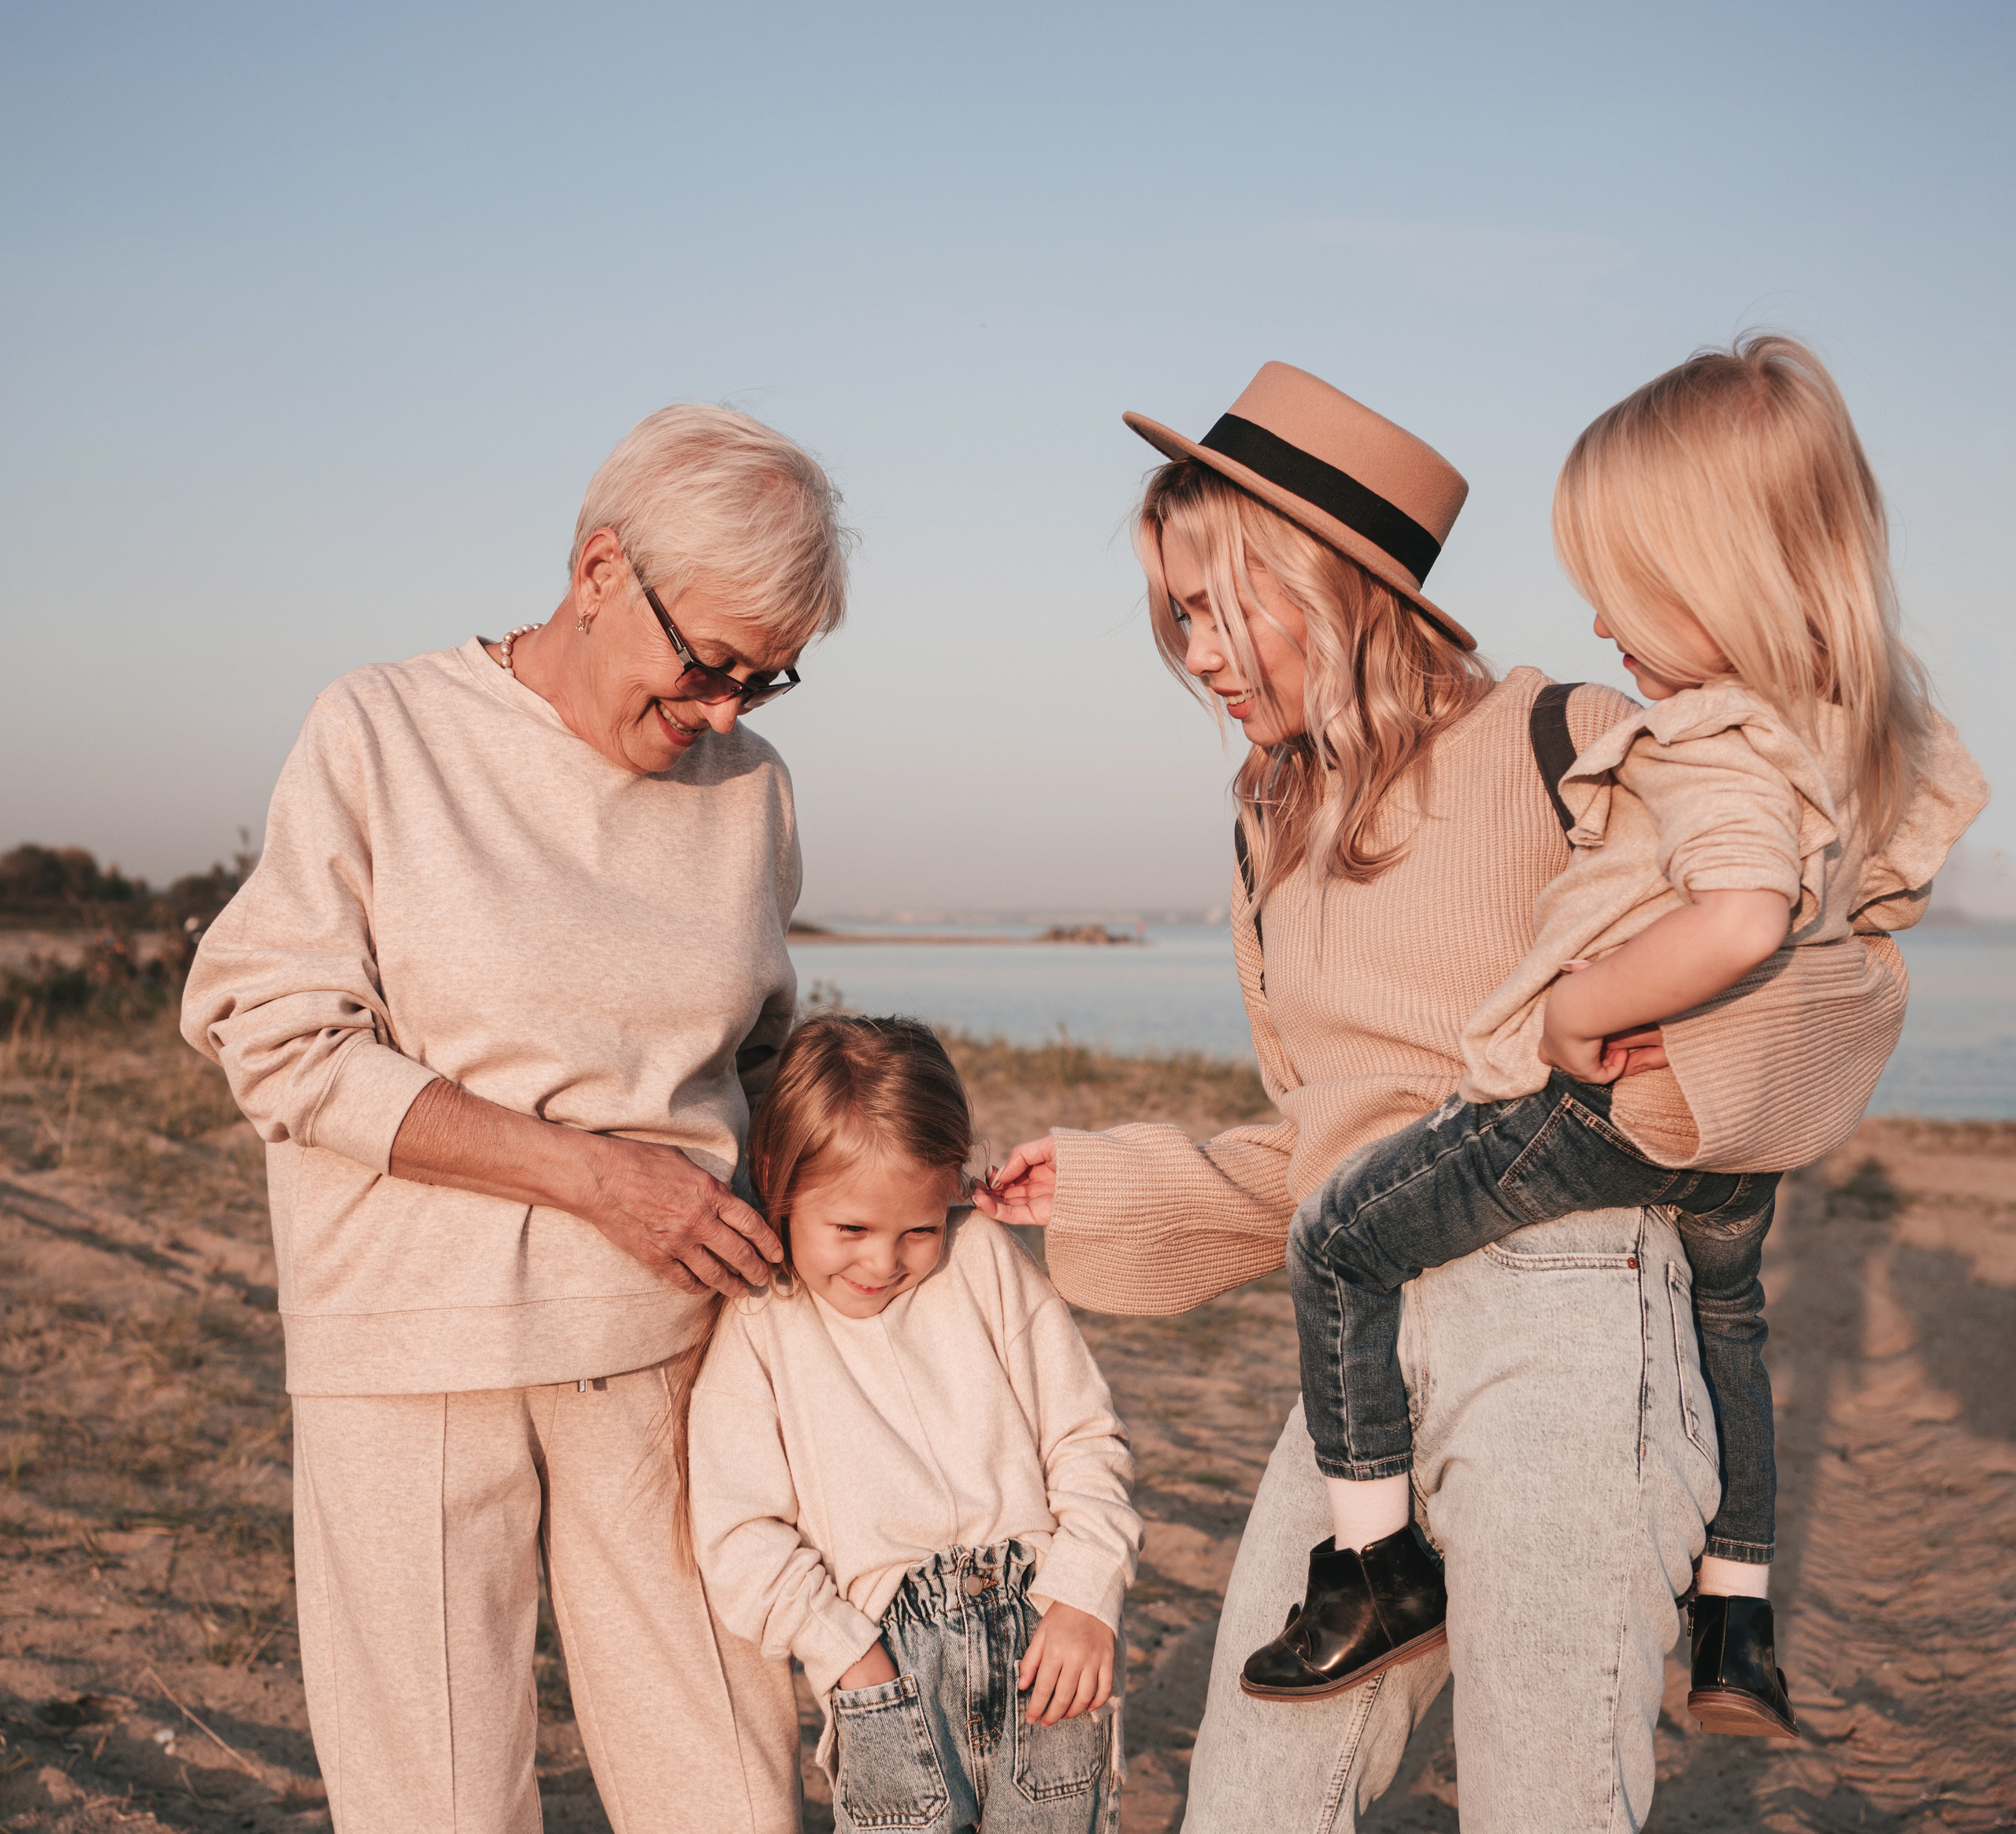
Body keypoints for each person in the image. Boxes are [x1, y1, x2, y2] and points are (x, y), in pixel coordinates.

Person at [975, 361, 1918, 1832]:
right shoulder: (1268, 828)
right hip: (1357, 1348)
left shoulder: (1572, 734)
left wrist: (1663, 1064)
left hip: (1575, 1314)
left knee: (1544, 1798)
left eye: (1223, 604)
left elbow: (1837, 966)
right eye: (1178, 617)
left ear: (1338, 581)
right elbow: (1336, 1138)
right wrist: (1106, 1181)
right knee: (1250, 1795)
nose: (1200, 653)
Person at [1245, 339, 1985, 1740]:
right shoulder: (1861, 722)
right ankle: (1739, 1618)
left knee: (1339, 1240)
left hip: (1591, 1111)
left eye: (1623, 592)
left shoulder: (1712, 735)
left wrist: (1581, 1005)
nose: (1599, 628)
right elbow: (1862, 906)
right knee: (1732, 1321)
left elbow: (1746, 912)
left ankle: (1374, 1566)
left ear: (1723, 578)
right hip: (1730, 1143)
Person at [180, 404, 851, 1834]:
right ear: (599, 569)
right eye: (707, 662)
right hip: (411, 1346)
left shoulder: (752, 791)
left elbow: (763, 1046)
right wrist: (595, 1177)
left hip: (670, 1350)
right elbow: (274, 1032)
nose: (726, 709)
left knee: (730, 1785)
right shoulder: (383, 729)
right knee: (437, 1798)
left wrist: (864, 1168)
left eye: (767, 679)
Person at [687, 1014, 1142, 1834]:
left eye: (919, 1229)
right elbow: (738, 1531)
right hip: (885, 1667)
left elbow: (1085, 1438)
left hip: (1046, 1639)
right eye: (850, 1229)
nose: (883, 1262)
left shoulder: (987, 1262)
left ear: (951, 1192)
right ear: (779, 1185)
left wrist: (1085, 1595)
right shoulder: (761, 1322)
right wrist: (847, 1656)